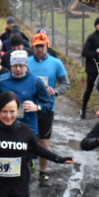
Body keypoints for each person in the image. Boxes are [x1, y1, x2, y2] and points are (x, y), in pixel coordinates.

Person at [26, 32, 70, 184]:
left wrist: (56, 91)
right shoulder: (27, 62)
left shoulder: (56, 63)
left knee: (44, 142)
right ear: (33, 47)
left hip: (46, 108)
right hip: (29, 108)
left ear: (47, 46)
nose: (39, 49)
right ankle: (29, 161)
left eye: (42, 46)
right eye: (36, 46)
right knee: (27, 138)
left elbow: (65, 83)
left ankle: (42, 173)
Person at [0, 50, 53, 137]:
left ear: (26, 66)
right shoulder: (2, 80)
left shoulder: (36, 81)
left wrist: (37, 107)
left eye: (21, 66)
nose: (18, 69)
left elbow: (49, 104)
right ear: (11, 66)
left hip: (29, 129)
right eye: (15, 66)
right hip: (5, 128)